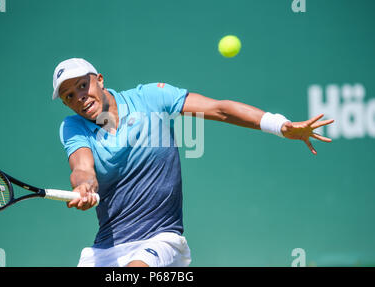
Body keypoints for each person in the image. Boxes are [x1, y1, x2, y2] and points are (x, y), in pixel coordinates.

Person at [53, 58, 334, 267]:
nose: (80, 97)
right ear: (66, 104)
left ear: (99, 80)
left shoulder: (150, 98)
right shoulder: (73, 127)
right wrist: (84, 187)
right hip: (106, 249)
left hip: (161, 239)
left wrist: (280, 125)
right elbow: (82, 168)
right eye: (69, 96)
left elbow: (220, 110)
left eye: (82, 85)